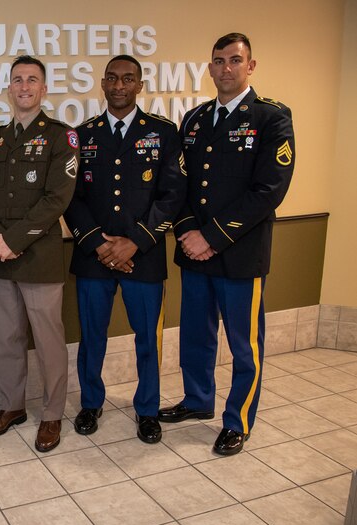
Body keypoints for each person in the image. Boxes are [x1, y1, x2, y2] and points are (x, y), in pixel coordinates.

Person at [158, 33, 295, 456]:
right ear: (210, 66)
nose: (226, 68)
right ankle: (198, 401)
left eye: (235, 60)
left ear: (250, 66)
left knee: (243, 344)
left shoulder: (272, 118)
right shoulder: (195, 118)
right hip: (195, 252)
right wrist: (187, 232)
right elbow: (178, 185)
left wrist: (212, 237)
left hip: (239, 253)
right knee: (196, 336)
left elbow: (269, 189)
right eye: (218, 61)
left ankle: (237, 420)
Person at [65, 55, 186, 444]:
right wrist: (100, 243)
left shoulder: (164, 133)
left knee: (148, 338)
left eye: (128, 79)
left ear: (139, 85)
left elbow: (172, 195)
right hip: (93, 257)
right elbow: (71, 198)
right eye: (113, 79)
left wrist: (136, 241)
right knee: (92, 336)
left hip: (144, 256)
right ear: (102, 84)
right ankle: (90, 403)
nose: (119, 85)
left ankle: (148, 409)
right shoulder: (82, 135)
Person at [0, 56, 79, 452]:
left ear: (43, 89)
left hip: (38, 256)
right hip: (1, 256)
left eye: (32, 80)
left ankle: (52, 414)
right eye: (17, 80)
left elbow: (56, 199)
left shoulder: (61, 136)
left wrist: (12, 239)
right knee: (8, 337)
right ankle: (11, 406)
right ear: (8, 88)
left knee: (48, 340)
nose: (24, 86)